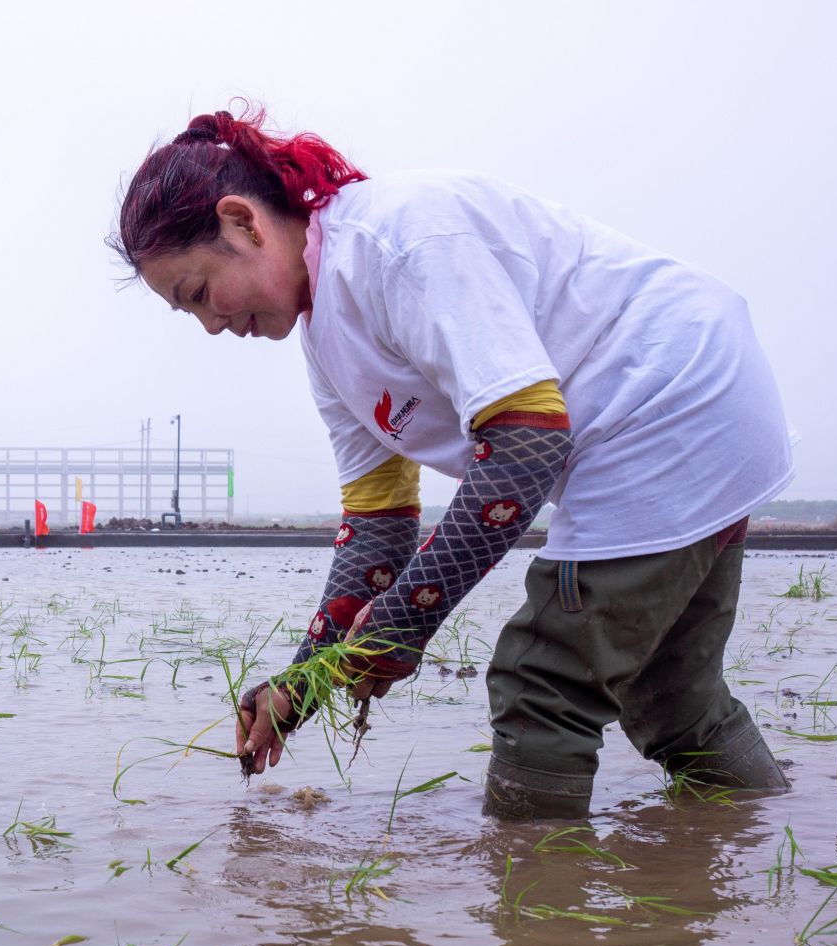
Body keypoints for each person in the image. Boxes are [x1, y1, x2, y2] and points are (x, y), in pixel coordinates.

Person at [108, 105, 794, 819]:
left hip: (669, 400)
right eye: (189, 314)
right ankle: (753, 856)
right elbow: (377, 532)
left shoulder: (394, 240)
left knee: (541, 686)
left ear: (243, 222)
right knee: (672, 695)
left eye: (198, 293)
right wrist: (303, 684)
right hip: (699, 407)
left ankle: (537, 924)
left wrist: (404, 621)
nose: (212, 324)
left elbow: (526, 443)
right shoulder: (328, 343)